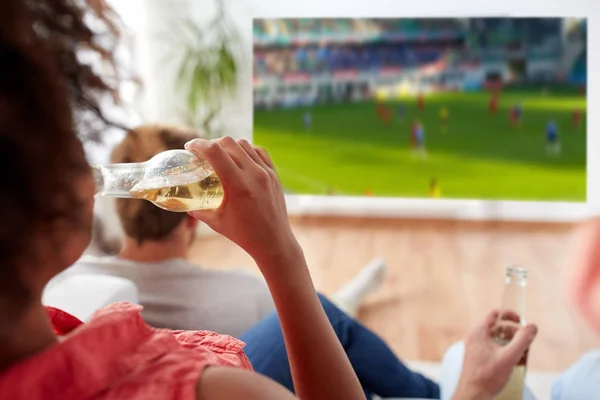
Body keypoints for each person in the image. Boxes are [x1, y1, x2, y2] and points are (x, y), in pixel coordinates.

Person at [0, 1, 379, 398]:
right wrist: (281, 253)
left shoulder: (75, 296)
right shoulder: (222, 391)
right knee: (333, 319)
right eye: (67, 128)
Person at [63, 124, 439, 399]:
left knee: (330, 310)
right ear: (193, 214)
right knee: (329, 316)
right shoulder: (241, 298)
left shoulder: (80, 277)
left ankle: (350, 297)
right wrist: (281, 253)